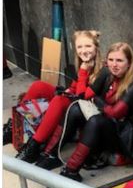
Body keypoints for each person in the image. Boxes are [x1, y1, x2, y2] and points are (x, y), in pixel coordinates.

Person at [46, 42, 133, 188]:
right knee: (76, 109)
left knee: (96, 121)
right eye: (111, 60)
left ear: (129, 63)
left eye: (119, 60)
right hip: (118, 127)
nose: (114, 65)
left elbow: (115, 113)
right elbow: (83, 96)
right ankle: (50, 154)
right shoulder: (108, 73)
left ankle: (70, 171)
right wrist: (84, 72)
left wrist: (97, 100)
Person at [16, 30, 102, 168]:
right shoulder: (83, 64)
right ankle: (19, 127)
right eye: (79, 47)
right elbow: (74, 88)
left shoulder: (100, 69)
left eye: (88, 46)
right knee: (38, 86)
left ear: (96, 47)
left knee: (59, 101)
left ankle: (34, 146)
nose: (83, 50)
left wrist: (83, 72)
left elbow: (82, 97)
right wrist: (67, 91)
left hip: (85, 113)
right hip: (75, 101)